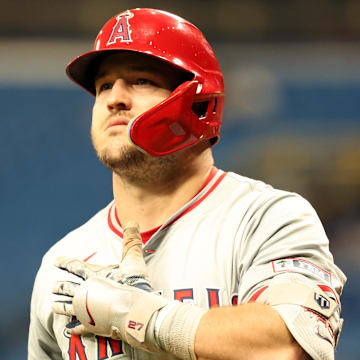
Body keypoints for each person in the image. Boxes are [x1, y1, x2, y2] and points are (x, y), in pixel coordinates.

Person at [28, 8, 346, 360]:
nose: (114, 98)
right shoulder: (62, 262)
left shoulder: (268, 219)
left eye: (141, 80)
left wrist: (140, 317)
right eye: (104, 86)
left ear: (198, 103)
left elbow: (289, 344)